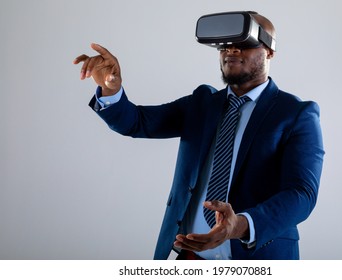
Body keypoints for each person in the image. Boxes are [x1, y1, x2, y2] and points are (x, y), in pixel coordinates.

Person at [73, 11, 324, 260]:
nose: (231, 50)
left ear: (270, 51)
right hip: (190, 257)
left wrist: (240, 226)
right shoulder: (203, 103)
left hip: (258, 258)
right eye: (225, 44)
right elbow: (137, 123)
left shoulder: (296, 114)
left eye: (244, 42)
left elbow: (302, 194)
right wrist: (110, 88)